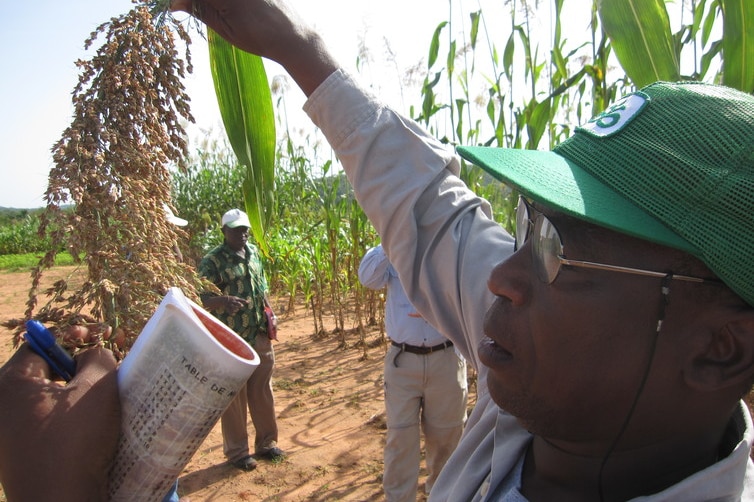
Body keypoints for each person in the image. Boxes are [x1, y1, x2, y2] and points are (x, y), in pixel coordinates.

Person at [1, 1, 754, 500]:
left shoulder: (553, 383)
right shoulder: (564, 389)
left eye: (561, 249)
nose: (502, 274)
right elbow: (429, 205)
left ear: (718, 349)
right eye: (526, 223)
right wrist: (298, 50)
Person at [358, 244, 467, 500]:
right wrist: (392, 240)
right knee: (400, 441)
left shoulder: (455, 244)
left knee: (447, 440)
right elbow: (368, 278)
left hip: (446, 359)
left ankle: (442, 496)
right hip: (403, 362)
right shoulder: (394, 245)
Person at [198, 208, 283, 471]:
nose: (242, 233)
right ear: (224, 231)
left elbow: (262, 288)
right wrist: (222, 301)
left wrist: (270, 313)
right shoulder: (213, 261)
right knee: (235, 396)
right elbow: (199, 296)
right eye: (236, 229)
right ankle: (237, 453)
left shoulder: (254, 253)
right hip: (231, 337)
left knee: (262, 389)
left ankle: (267, 444)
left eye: (245, 228)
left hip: (258, 332)